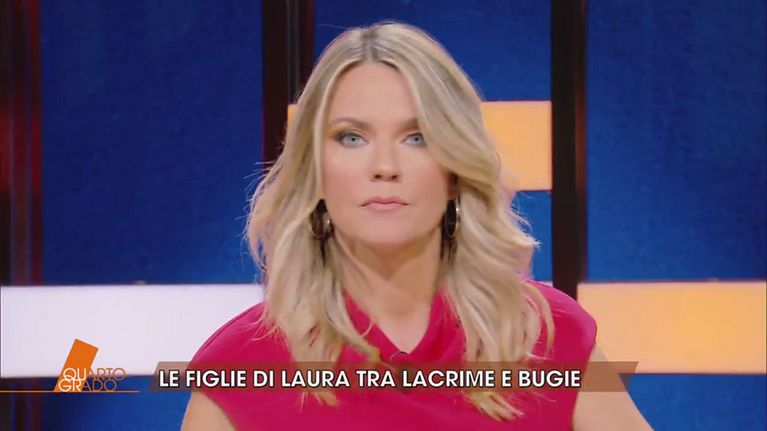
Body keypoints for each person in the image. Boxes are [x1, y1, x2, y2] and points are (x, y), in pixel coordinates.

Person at [182, 21, 651, 430]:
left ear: (455, 171)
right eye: (352, 138)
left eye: (417, 137)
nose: (385, 166)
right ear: (314, 170)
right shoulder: (240, 365)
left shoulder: (547, 337)